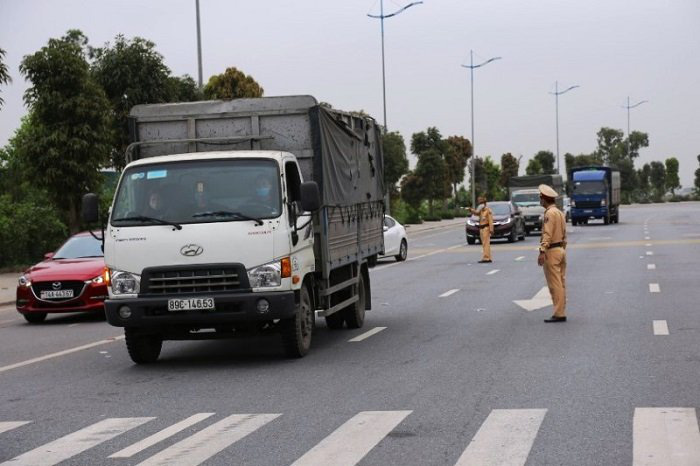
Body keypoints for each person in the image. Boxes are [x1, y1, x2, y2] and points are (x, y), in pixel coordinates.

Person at [537, 184, 568, 323]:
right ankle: (560, 310)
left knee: (555, 284)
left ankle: (559, 313)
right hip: (561, 249)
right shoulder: (560, 212)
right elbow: (564, 234)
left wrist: (542, 251)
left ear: (544, 199)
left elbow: (547, 235)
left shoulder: (549, 213)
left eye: (540, 198)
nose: (540, 200)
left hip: (552, 251)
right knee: (560, 283)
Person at [469, 195, 494, 263]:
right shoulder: (481, 210)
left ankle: (487, 258)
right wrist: (471, 210)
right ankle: (487, 257)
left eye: (480, 200)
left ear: (484, 201)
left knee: (486, 243)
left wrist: (491, 229)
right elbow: (477, 213)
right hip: (481, 228)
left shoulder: (487, 210)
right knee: (484, 243)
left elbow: (490, 220)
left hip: (486, 228)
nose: (479, 202)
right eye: (478, 200)